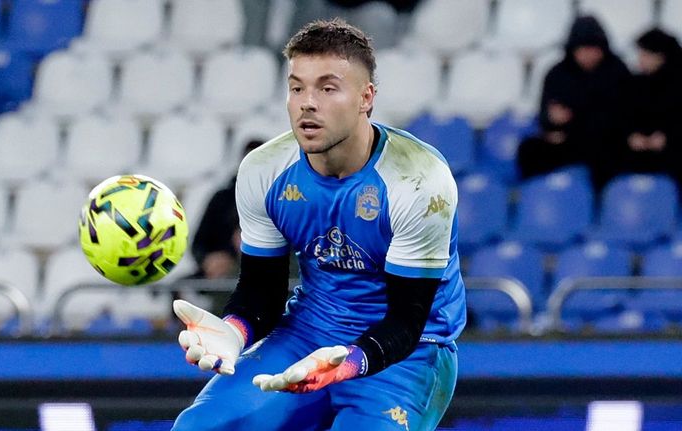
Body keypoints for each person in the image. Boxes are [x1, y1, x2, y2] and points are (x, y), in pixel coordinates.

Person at [171, 18, 465, 431]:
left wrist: (349, 362)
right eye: (297, 88)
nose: (307, 102)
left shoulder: (420, 181)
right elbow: (262, 292)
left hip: (408, 353)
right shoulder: (264, 171)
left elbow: (408, 320)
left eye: (327, 88)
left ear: (367, 98)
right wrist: (234, 331)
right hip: (307, 330)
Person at [516, 15, 631, 189]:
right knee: (530, 149)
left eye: (594, 49)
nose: (589, 55)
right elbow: (545, 115)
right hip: (567, 141)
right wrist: (552, 121)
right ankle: (536, 195)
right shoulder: (557, 74)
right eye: (583, 49)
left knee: (611, 154)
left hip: (604, 140)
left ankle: (601, 202)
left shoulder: (617, 71)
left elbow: (623, 115)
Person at [191, 139, 265, 279]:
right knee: (181, 287)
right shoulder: (222, 199)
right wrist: (209, 259)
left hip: (267, 276)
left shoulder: (285, 202)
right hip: (221, 275)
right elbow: (198, 244)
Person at [615, 28, 682, 181]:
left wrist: (668, 138)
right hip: (636, 154)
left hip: (672, 157)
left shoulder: (678, 84)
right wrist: (631, 136)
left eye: (645, 54)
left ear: (661, 57)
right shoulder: (635, 84)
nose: (640, 59)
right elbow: (621, 116)